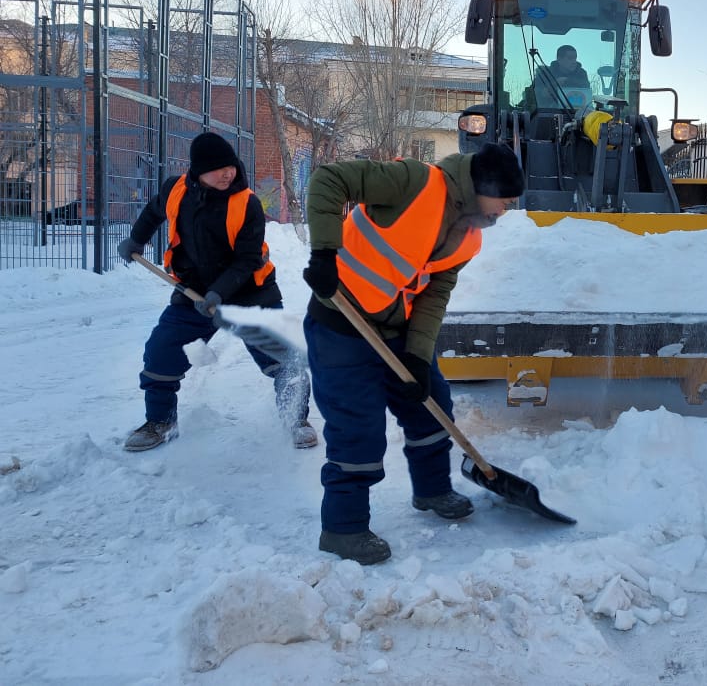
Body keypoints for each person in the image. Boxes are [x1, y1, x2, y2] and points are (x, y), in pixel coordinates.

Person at [301, 142, 525, 566]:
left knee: (430, 404)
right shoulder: (414, 182)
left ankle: (433, 489)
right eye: (505, 200)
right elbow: (329, 179)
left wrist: (419, 356)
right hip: (340, 325)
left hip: (397, 330)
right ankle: (343, 529)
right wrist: (324, 254)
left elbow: (434, 295)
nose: (505, 210)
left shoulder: (469, 238)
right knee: (357, 429)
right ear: (483, 186)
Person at [116, 131, 316, 452]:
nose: (227, 173)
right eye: (217, 168)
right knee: (161, 351)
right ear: (198, 171)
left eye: (231, 166)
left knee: (282, 359)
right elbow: (153, 212)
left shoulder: (246, 202)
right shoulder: (175, 189)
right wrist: (136, 239)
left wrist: (220, 292)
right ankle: (161, 421)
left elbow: (247, 259)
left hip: (252, 295)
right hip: (193, 290)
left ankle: (296, 418)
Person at [526, 44, 591, 109]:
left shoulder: (581, 74)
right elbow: (532, 95)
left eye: (575, 58)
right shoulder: (545, 74)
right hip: (548, 113)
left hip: (578, 114)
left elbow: (587, 90)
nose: (574, 61)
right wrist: (553, 86)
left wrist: (567, 81)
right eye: (570, 58)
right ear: (559, 59)